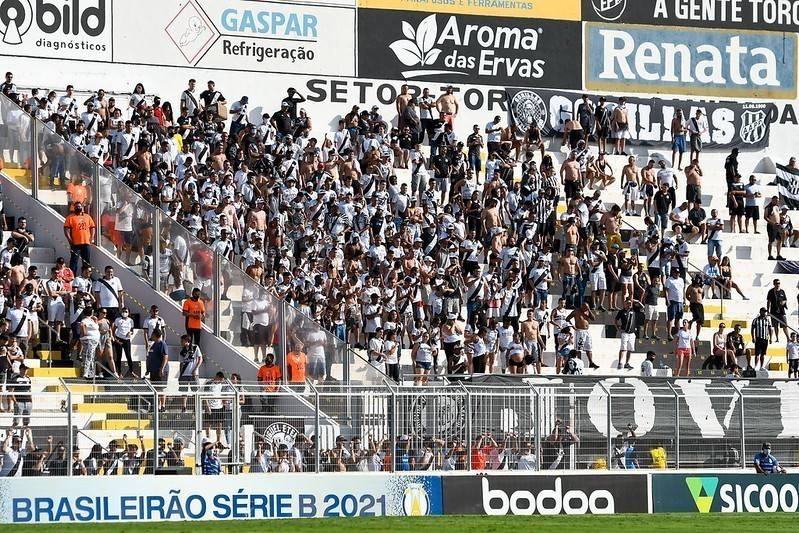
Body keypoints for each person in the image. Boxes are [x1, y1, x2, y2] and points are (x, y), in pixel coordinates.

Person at [63, 201, 95, 274]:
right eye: (77, 207)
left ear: (82, 207)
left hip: (86, 242)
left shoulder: (87, 217)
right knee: (74, 260)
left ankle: (86, 276)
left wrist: (92, 236)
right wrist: (69, 239)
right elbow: (66, 229)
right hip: (75, 243)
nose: (78, 208)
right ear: (74, 208)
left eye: (80, 207)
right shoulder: (70, 218)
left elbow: (92, 227)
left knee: (86, 261)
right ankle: (72, 276)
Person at [178, 334, 203, 413]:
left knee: (195, 390)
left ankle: (196, 407)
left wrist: (196, 369)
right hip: (185, 373)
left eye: (182, 340)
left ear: (186, 340)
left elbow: (200, 359)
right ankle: (184, 407)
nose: (181, 342)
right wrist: (180, 373)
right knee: (184, 391)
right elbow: (181, 363)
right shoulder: (182, 350)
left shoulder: (195, 348)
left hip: (193, 373)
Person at [146, 329, 169, 410]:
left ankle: (163, 406)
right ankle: (157, 406)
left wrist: (161, 368)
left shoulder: (162, 344)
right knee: (156, 388)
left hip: (160, 370)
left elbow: (165, 356)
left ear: (155, 335)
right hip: (153, 370)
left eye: (152, 334)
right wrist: (148, 369)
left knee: (161, 387)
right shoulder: (153, 344)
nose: (151, 335)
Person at [615, 298, 637, 370]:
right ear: (624, 304)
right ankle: (620, 362)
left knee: (630, 349)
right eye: (628, 303)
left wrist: (636, 301)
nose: (629, 304)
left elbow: (642, 306)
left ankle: (627, 363)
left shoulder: (633, 311)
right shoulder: (621, 312)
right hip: (625, 332)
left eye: (630, 303)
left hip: (632, 333)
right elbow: (615, 320)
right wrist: (618, 329)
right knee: (623, 348)